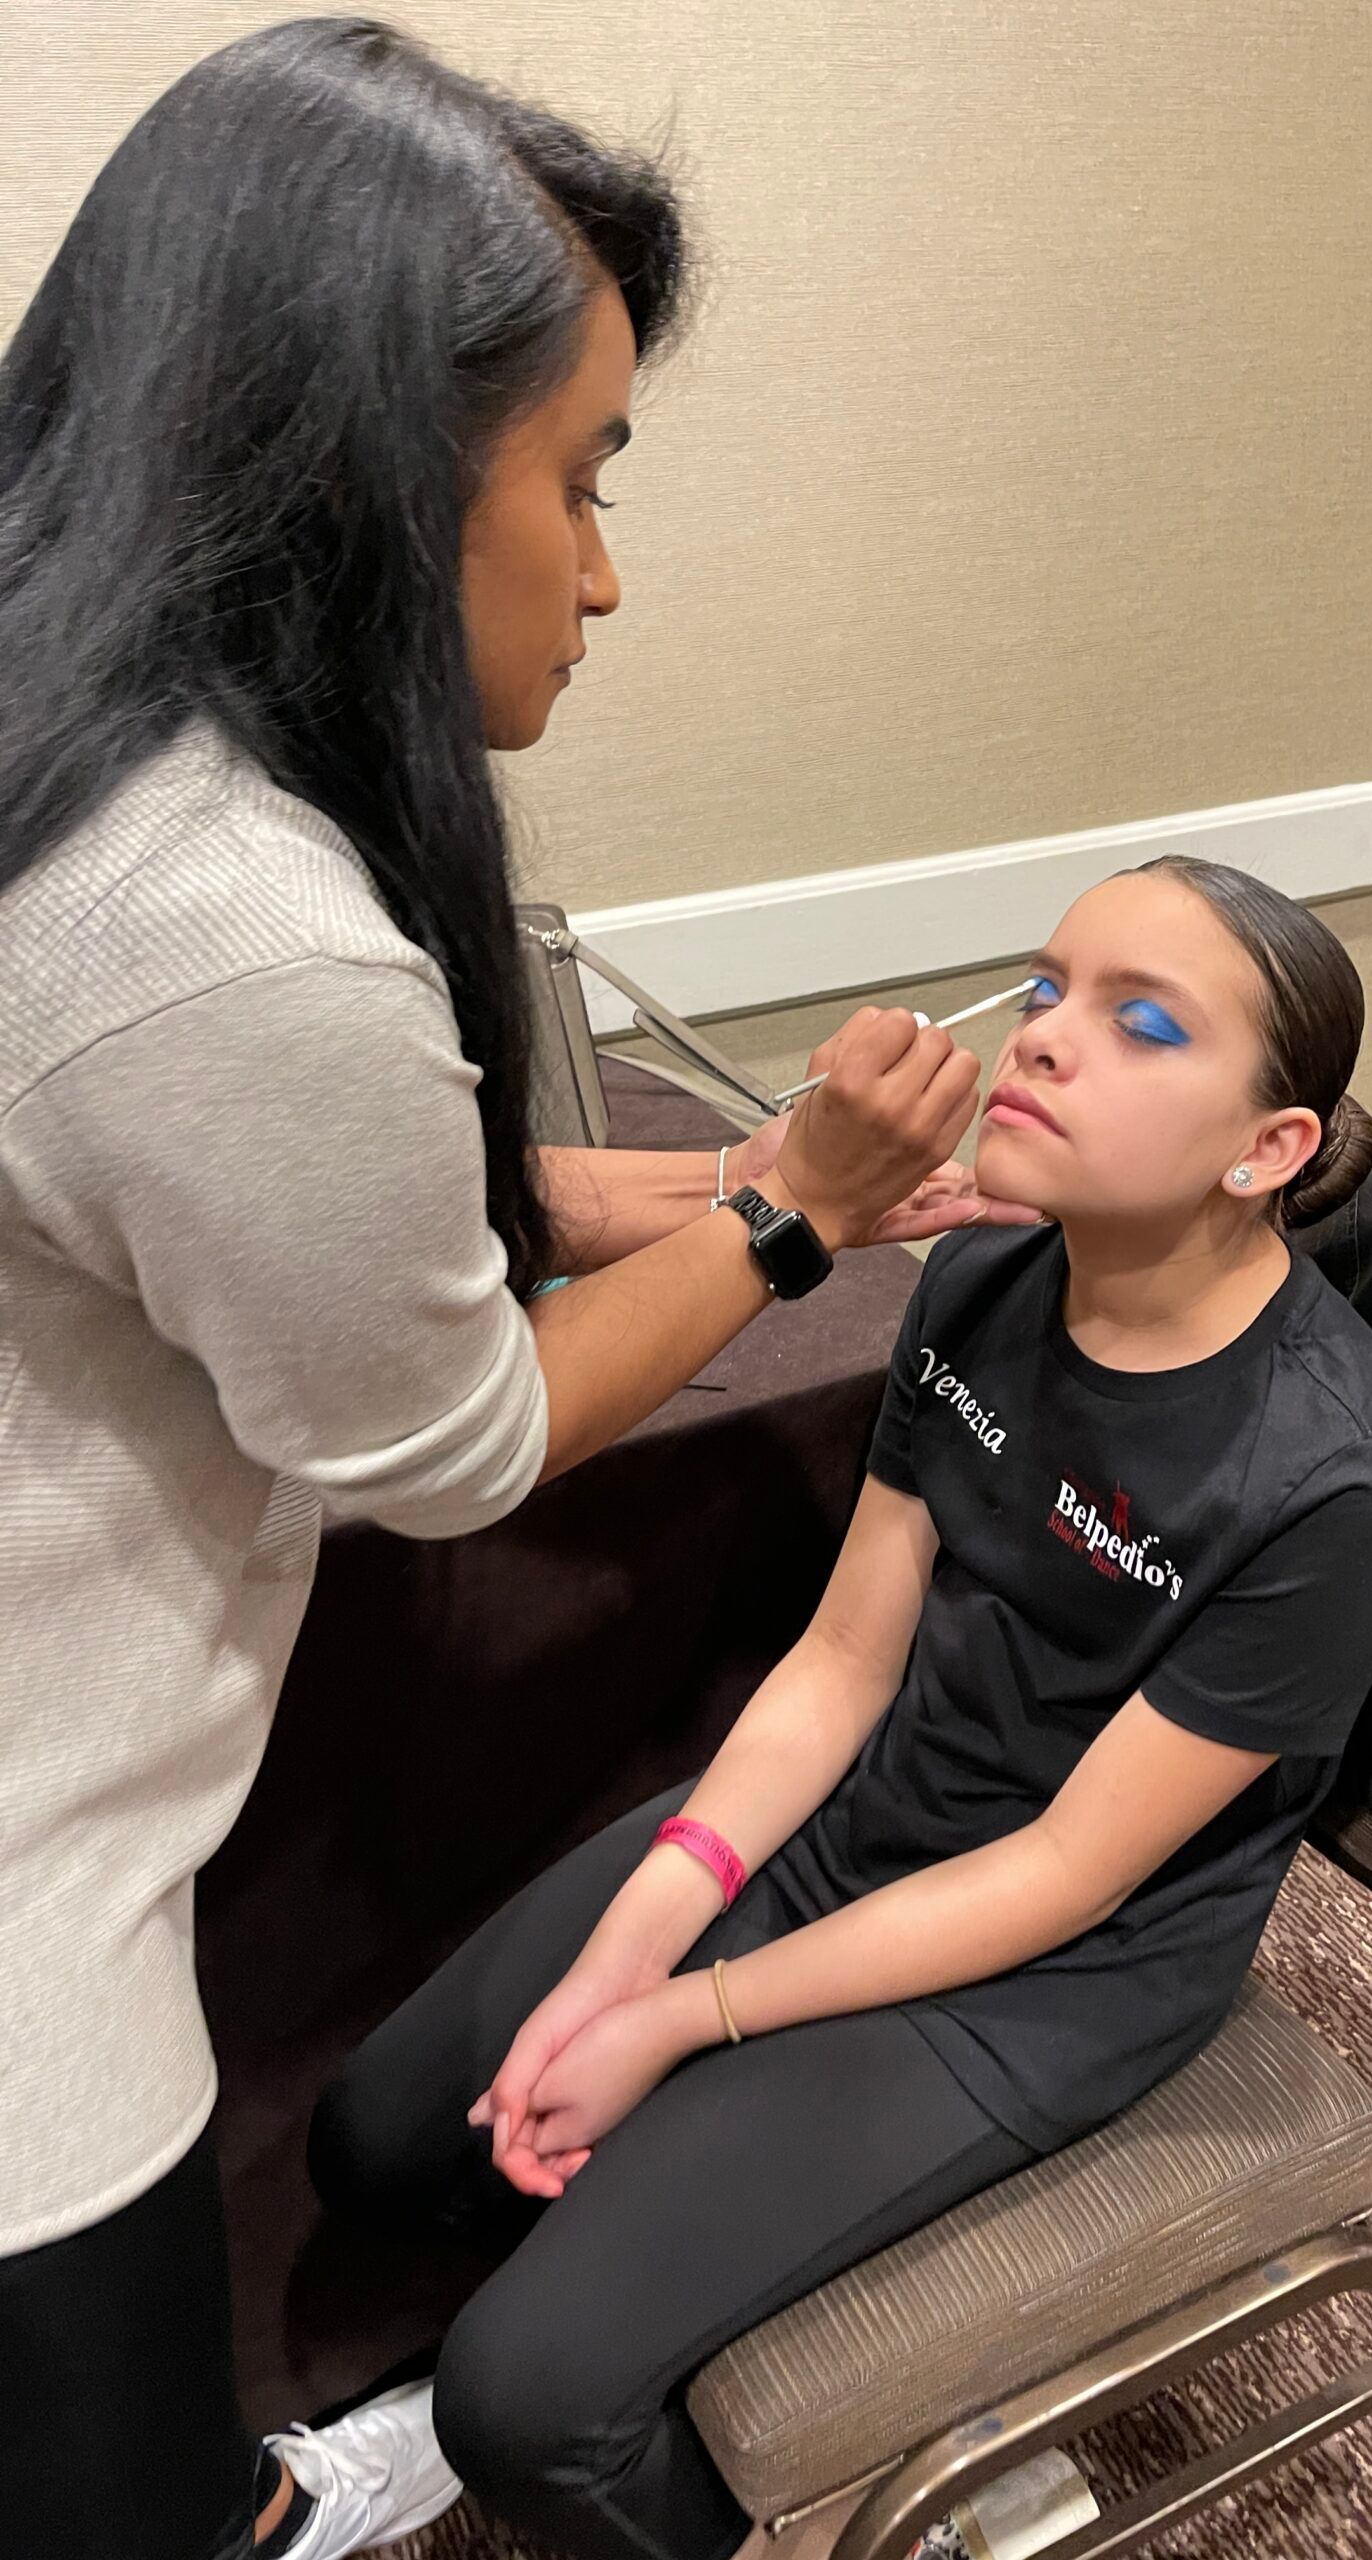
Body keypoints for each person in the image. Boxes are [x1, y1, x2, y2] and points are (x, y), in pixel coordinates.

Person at [0, 25, 1029, 2560]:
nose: (603, 569)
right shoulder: (228, 927)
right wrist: (787, 1222)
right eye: (581, 478)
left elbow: (281, 1183)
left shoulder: (76, 759)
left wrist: (724, 1179)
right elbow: (449, 1437)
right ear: (369, 472)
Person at [309, 856, 1372, 2560]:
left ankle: (876, 2496)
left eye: (1142, 1025)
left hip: (1054, 1969)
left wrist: (683, 2019)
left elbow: (1063, 1872)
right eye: (1048, 990)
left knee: (523, 2408)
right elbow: (842, 1665)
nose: (1043, 1038)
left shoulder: (1336, 1477)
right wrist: (632, 1952)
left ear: (1266, 1149)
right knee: (380, 2140)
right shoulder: (983, 1280)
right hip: (868, 1816)